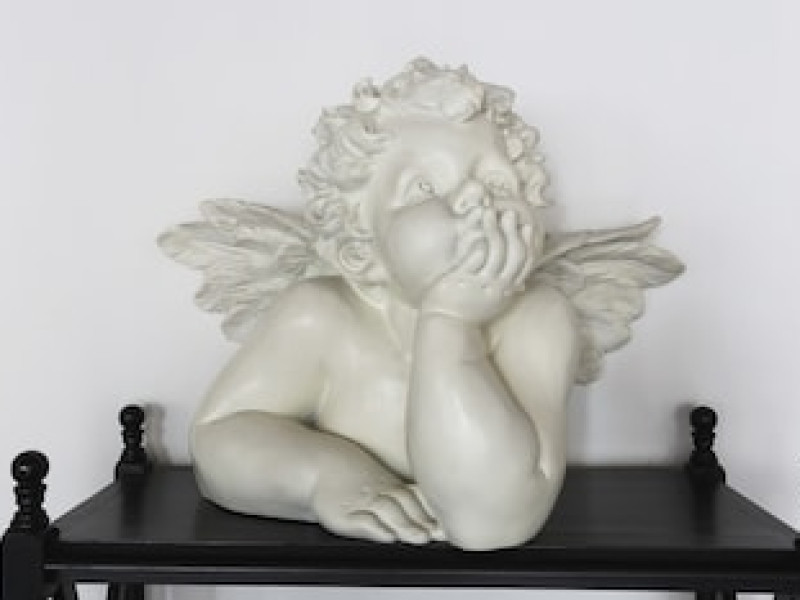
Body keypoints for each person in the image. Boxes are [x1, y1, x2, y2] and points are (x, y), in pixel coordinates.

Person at [160, 58, 683, 550]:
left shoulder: (536, 320)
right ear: (362, 246)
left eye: (496, 181)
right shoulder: (321, 316)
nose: (474, 200)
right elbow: (218, 440)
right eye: (425, 186)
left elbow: (491, 520)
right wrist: (324, 476)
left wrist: (450, 324)